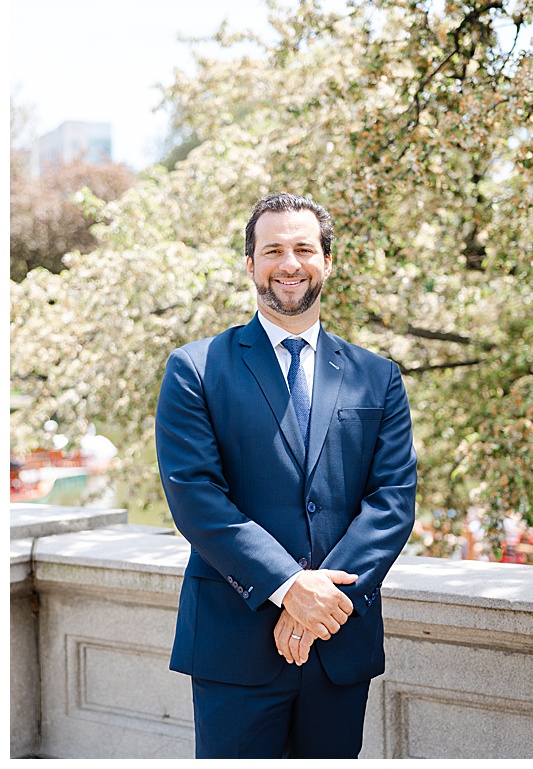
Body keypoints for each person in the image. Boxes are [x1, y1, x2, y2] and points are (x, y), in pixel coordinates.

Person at [156, 193, 418, 758]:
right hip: (234, 644)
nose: (289, 263)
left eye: (304, 248)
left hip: (338, 642)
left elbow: (392, 500)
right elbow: (197, 497)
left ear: (328, 260)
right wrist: (287, 586)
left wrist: (322, 604)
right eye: (272, 249)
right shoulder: (195, 368)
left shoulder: (379, 377)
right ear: (250, 264)